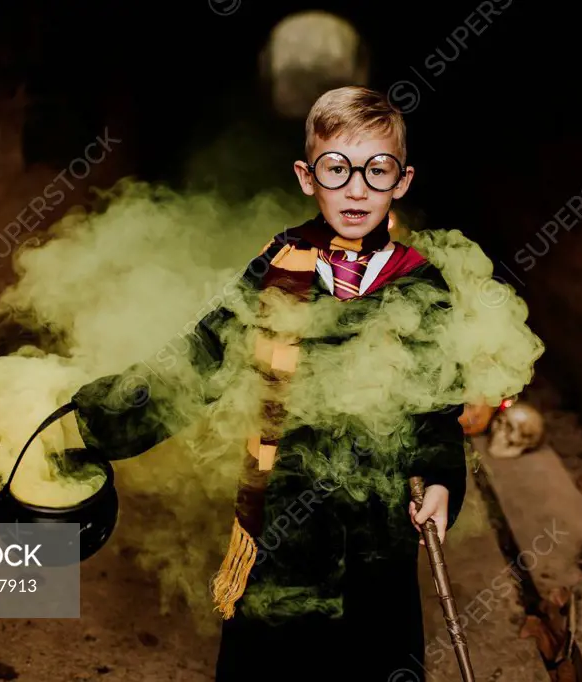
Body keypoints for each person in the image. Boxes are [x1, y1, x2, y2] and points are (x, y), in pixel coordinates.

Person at [70, 85, 538, 681]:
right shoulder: (275, 268)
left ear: (403, 180)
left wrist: (443, 481)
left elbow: (434, 409)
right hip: (284, 519)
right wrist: (98, 417)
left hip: (378, 527)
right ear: (306, 176)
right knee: (273, 658)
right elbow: (202, 357)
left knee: (373, 657)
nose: (357, 187)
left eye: (377, 169)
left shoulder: (421, 285)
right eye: (337, 169)